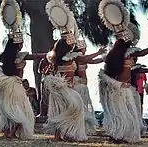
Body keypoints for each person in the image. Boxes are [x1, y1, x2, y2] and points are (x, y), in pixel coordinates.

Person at [98, 0, 148, 143]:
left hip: (127, 89)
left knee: (128, 115)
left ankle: (122, 136)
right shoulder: (116, 56)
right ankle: (115, 136)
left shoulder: (129, 54)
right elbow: (142, 53)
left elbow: (142, 54)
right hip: (118, 90)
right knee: (118, 115)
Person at [45, 0, 107, 141]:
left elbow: (86, 60)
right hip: (65, 89)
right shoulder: (70, 57)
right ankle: (64, 135)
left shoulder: (57, 57)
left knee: (64, 111)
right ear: (68, 44)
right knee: (72, 109)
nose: (74, 44)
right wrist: (98, 53)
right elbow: (86, 59)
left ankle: (61, 135)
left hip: (62, 89)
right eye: (72, 43)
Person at [0, 0, 47, 139]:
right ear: (17, 43)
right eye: (21, 42)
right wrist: (45, 54)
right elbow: (34, 56)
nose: (22, 44)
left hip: (6, 85)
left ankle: (9, 132)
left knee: (9, 110)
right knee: (19, 109)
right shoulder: (18, 56)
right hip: (14, 85)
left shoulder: (7, 56)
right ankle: (11, 132)